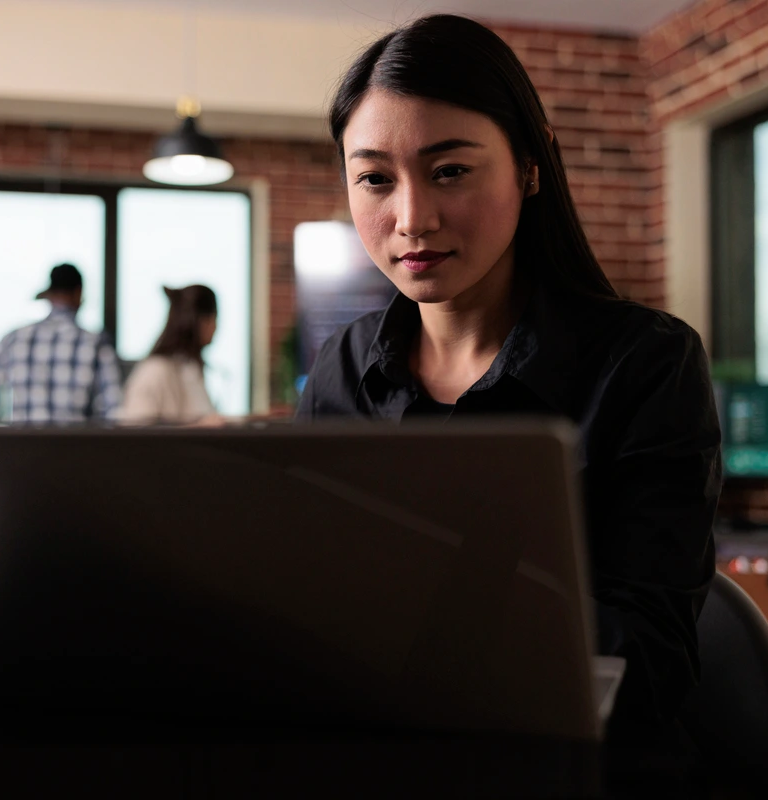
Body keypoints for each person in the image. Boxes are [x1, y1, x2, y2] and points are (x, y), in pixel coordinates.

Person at [296, 14, 720, 795]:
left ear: (530, 166)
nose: (411, 218)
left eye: (450, 170)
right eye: (375, 178)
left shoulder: (645, 364)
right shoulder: (343, 370)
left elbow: (651, 657)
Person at [0, 263, 123, 423]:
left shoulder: (13, 340)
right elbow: (115, 413)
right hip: (75, 452)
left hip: (20, 452)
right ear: (78, 293)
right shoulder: (97, 345)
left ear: (49, 295)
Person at [119, 284, 223, 425]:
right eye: (212, 318)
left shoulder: (190, 369)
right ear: (196, 321)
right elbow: (135, 437)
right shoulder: (154, 372)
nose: (215, 327)